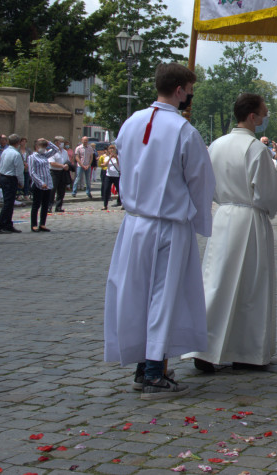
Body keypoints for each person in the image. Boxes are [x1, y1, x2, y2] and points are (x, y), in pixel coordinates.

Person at [103, 63, 216, 399]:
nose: (190, 97)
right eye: (190, 90)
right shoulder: (184, 131)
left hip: (135, 223)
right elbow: (201, 183)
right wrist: (198, 222)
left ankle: (143, 366)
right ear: (180, 90)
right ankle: (154, 373)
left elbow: (123, 166)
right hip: (168, 224)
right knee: (164, 296)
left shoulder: (131, 122)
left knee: (137, 293)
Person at [185, 93, 277, 374]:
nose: (265, 118)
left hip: (225, 215)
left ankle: (205, 348)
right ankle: (247, 352)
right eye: (263, 113)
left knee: (215, 283)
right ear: (251, 116)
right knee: (252, 285)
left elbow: (207, 185)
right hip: (250, 218)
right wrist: (272, 204)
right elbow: (268, 193)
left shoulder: (217, 145)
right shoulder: (255, 149)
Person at [27, 138, 62, 232]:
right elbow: (32, 172)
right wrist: (41, 183)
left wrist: (48, 142)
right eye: (41, 146)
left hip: (48, 183)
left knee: (45, 205)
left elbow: (56, 149)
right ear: (36, 147)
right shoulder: (32, 157)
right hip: (39, 184)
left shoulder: (45, 156)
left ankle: (42, 224)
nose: (43, 148)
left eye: (44, 147)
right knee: (36, 205)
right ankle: (34, 224)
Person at [0, 134, 24, 234]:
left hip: (3, 176)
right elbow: (19, 170)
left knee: (10, 203)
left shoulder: (5, 151)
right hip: (10, 178)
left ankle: (8, 224)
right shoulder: (16, 154)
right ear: (18, 143)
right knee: (8, 203)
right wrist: (21, 182)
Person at [48, 137, 71, 214]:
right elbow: (52, 163)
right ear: (56, 142)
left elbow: (67, 160)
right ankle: (49, 206)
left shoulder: (64, 151)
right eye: (61, 142)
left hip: (62, 172)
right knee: (52, 190)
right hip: (54, 172)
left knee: (61, 190)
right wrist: (62, 166)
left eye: (63, 142)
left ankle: (58, 207)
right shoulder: (52, 151)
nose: (62, 143)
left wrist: (67, 165)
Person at [102, 145, 122, 210]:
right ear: (108, 150)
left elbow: (120, 165)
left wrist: (116, 158)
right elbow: (105, 164)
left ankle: (122, 203)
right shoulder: (106, 157)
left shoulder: (118, 157)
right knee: (106, 190)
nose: (111, 150)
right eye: (110, 148)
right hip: (109, 175)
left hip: (116, 175)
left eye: (113, 148)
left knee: (120, 190)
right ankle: (105, 205)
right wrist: (110, 157)